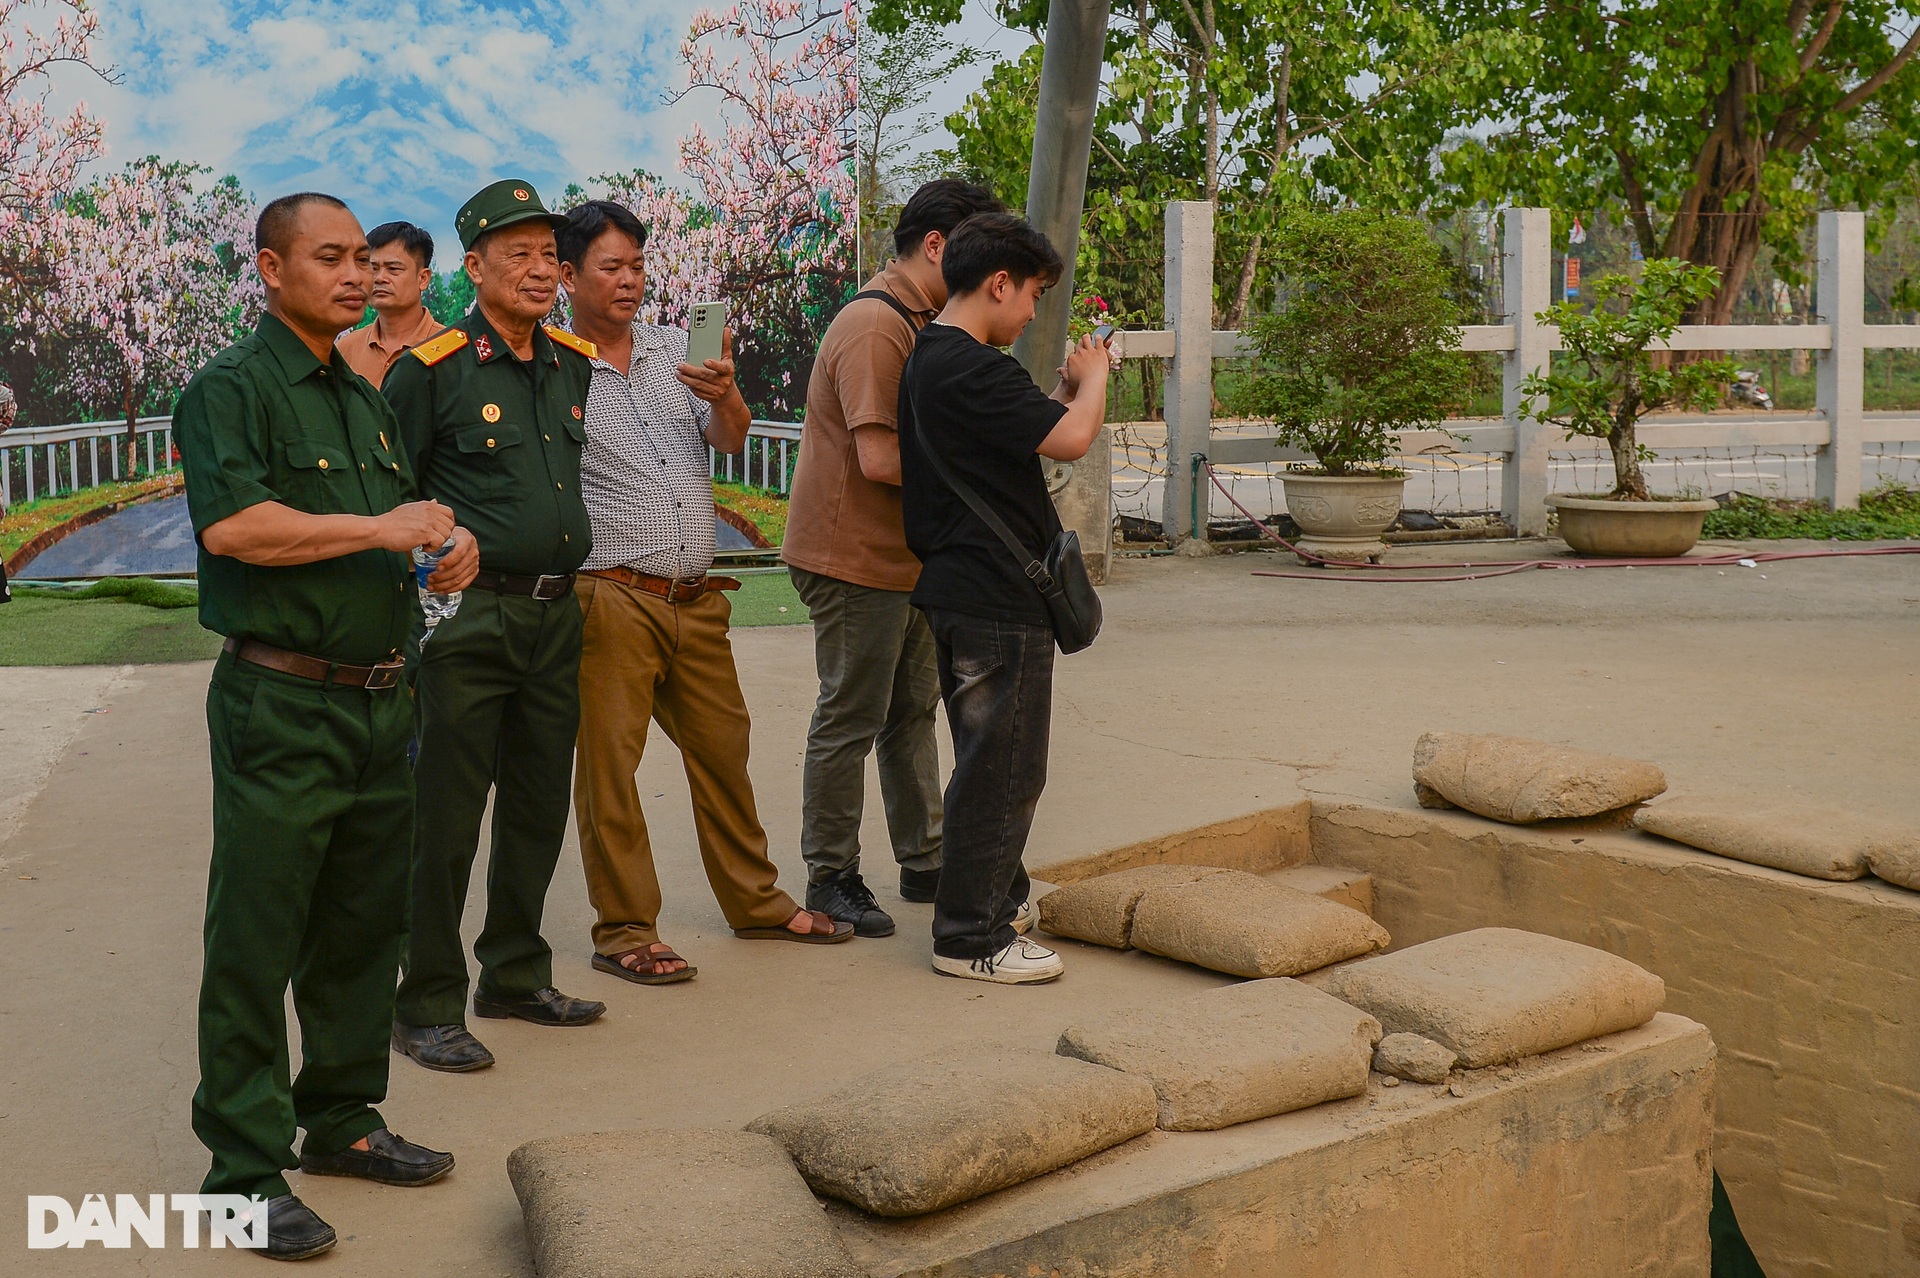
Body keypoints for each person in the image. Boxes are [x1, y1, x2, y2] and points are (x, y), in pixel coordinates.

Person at [175, 192, 478, 1260]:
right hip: (283, 702)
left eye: (365, 259)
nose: (356, 275)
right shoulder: (232, 389)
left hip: (380, 697)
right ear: (269, 267)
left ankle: (341, 1120)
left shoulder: (363, 393)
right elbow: (239, 525)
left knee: (362, 927)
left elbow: (386, 530)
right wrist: (379, 524)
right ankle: (241, 1171)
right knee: (259, 934)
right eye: (331, 257)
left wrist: (443, 543)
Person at [557, 198, 852, 986]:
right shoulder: (549, 367)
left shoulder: (670, 352)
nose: (629, 282)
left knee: (725, 752)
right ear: (567, 275)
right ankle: (625, 930)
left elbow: (730, 436)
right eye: (610, 267)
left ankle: (755, 902)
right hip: (608, 596)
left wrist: (723, 391)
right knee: (609, 773)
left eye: (638, 266)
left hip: (697, 597)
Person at [383, 180, 605, 1073]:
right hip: (465, 621)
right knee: (444, 817)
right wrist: (437, 541)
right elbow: (388, 494)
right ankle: (426, 1001)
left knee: (538, 804)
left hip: (558, 616)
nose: (540, 269)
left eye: (549, 254)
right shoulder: (431, 370)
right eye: (517, 254)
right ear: (472, 267)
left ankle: (513, 971)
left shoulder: (570, 361)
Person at [782, 180, 1004, 938]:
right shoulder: (877, 324)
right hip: (852, 558)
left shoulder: (923, 319)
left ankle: (925, 858)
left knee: (910, 712)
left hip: (902, 557)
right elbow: (879, 459)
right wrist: (984, 470)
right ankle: (830, 875)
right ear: (937, 247)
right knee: (852, 712)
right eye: (978, 257)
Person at [897, 212, 1111, 985]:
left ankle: (999, 898)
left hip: (960, 586)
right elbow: (1072, 439)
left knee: (989, 761)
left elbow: (1024, 429)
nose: (1030, 314)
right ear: (997, 283)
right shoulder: (973, 365)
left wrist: (1059, 390)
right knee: (1005, 768)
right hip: (993, 594)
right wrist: (1096, 382)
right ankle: (972, 937)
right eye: (1032, 296)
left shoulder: (936, 356)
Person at [337, 221, 443, 388]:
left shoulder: (449, 349)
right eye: (373, 268)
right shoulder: (346, 349)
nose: (379, 278)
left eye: (393, 269)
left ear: (423, 279)